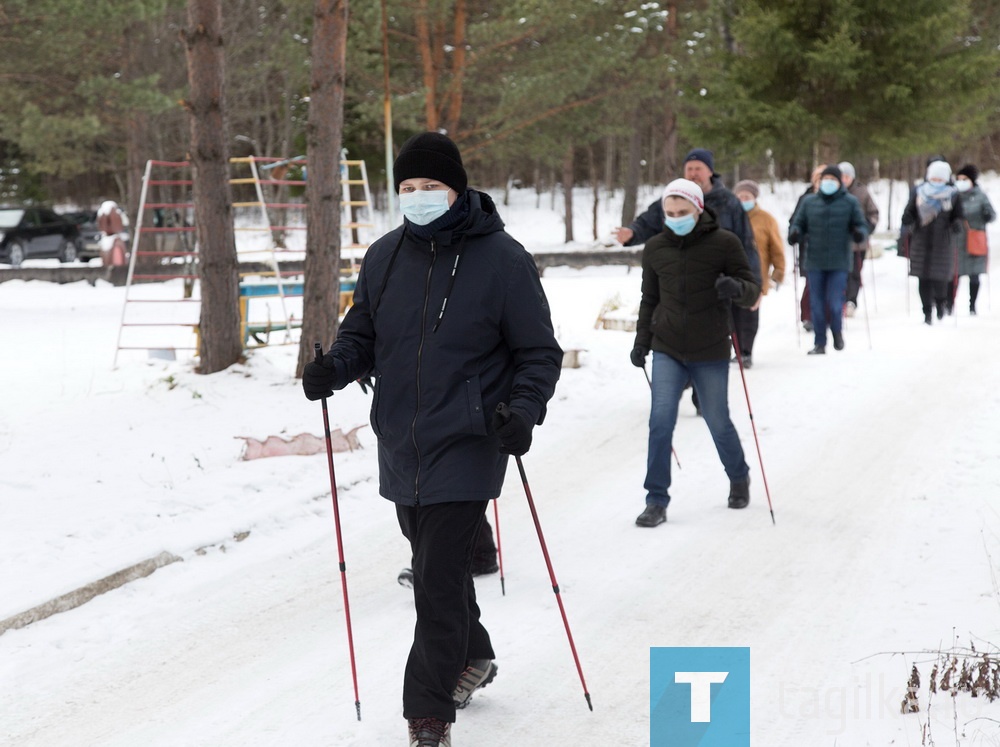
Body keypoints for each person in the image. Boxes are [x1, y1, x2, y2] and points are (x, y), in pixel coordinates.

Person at [302, 132, 562, 747]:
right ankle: (474, 655)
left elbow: (538, 352)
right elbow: (361, 332)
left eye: (431, 188)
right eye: (408, 189)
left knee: (437, 582)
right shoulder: (386, 255)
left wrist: (523, 411)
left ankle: (428, 716)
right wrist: (333, 368)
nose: (418, 198)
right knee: (432, 569)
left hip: (471, 439)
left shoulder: (503, 259)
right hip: (402, 439)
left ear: (458, 188)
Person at [629, 179, 761, 527]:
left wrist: (735, 287)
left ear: (698, 209)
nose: (675, 218)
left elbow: (752, 291)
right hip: (667, 346)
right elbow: (649, 299)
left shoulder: (724, 243)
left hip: (710, 347)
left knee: (717, 420)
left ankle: (738, 475)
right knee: (660, 423)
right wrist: (642, 340)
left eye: (682, 212)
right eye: (669, 213)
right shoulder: (655, 247)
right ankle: (656, 500)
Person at [616, 149, 761, 368]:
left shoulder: (728, 202)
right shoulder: (675, 198)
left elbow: (746, 243)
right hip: (683, 276)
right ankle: (681, 371)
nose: (694, 173)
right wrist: (633, 233)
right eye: (689, 169)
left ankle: (744, 351)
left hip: (721, 279)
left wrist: (753, 283)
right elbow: (649, 221)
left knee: (738, 316)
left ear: (710, 172)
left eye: (698, 169)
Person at [789, 165, 868, 354]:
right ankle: (820, 342)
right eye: (826, 179)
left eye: (833, 179)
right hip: (814, 260)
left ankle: (837, 331)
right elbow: (797, 223)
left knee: (834, 302)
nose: (829, 183)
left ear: (840, 182)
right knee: (816, 303)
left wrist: (859, 233)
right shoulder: (809, 202)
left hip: (839, 261)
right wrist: (795, 234)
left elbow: (861, 225)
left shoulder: (850, 202)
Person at [901, 159, 963, 325]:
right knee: (923, 278)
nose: (936, 182)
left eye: (940, 179)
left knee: (940, 278)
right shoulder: (919, 193)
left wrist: (956, 224)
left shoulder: (953, 195)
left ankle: (941, 303)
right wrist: (907, 218)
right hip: (921, 240)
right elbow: (909, 212)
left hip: (943, 241)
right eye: (934, 179)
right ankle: (927, 311)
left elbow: (958, 215)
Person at [734, 180, 786, 336]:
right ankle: (733, 346)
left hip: (756, 272)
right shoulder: (730, 217)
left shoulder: (766, 219)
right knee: (732, 312)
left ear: (754, 198)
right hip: (732, 271)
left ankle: (746, 351)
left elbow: (776, 249)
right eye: (740, 196)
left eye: (747, 196)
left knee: (750, 311)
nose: (743, 200)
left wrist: (778, 273)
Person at [951, 164, 995, 315]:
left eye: (964, 179)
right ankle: (950, 304)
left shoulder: (980, 195)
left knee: (974, 276)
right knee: (954, 275)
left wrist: (987, 215)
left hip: (974, 240)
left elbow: (992, 214)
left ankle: (972, 305)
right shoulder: (953, 195)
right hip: (957, 240)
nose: (961, 181)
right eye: (959, 179)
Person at [837, 162, 880, 316]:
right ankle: (839, 300)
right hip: (838, 242)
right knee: (840, 273)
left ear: (852, 177)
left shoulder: (862, 192)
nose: (843, 180)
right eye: (841, 176)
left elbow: (873, 212)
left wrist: (868, 227)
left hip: (857, 243)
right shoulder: (833, 193)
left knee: (854, 272)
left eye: (846, 177)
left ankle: (851, 301)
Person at [788, 165, 826, 332]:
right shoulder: (806, 198)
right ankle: (808, 316)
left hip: (833, 248)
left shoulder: (840, 198)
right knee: (812, 284)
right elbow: (795, 220)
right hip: (810, 247)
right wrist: (797, 232)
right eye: (818, 178)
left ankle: (829, 315)